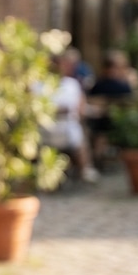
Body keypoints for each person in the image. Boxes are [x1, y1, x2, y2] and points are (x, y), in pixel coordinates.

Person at [46, 53, 99, 183]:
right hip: (54, 128)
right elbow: (81, 110)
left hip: (54, 128)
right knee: (80, 133)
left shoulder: (71, 84)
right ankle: (85, 168)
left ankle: (82, 168)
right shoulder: (69, 84)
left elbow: (80, 108)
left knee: (79, 131)